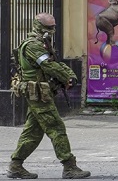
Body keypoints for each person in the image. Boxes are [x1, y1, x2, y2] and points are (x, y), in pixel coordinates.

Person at [8, 13, 91, 179]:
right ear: (38, 26)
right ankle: (69, 166)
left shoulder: (43, 44)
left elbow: (56, 62)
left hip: (42, 93)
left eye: (53, 27)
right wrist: (66, 77)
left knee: (33, 132)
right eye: (48, 27)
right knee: (56, 127)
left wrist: (70, 75)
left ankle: (15, 166)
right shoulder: (32, 46)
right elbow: (48, 65)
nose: (52, 30)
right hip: (37, 94)